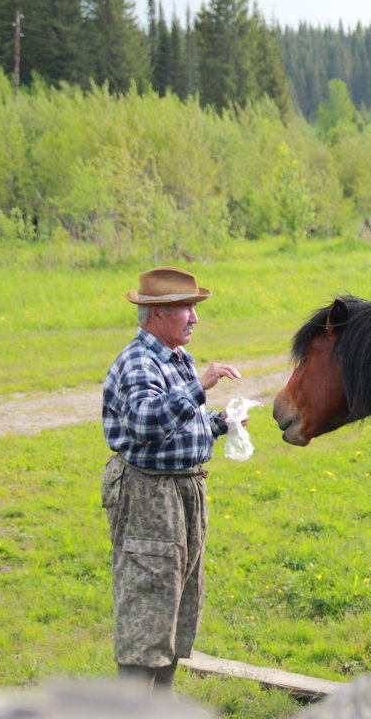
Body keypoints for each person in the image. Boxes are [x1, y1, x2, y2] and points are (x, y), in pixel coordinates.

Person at [100, 266, 243, 695]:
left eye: (194, 307)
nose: (195, 318)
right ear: (158, 313)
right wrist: (200, 387)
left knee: (177, 602)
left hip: (182, 490)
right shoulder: (138, 361)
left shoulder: (174, 357)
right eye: (186, 308)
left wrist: (219, 424)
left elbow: (175, 423)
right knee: (148, 602)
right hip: (149, 494)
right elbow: (146, 422)